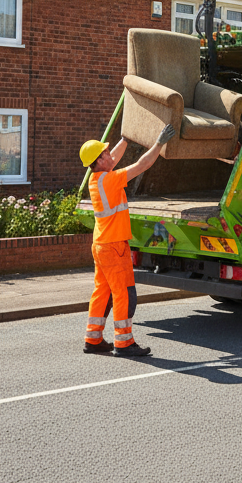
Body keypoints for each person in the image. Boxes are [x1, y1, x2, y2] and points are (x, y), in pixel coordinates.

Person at [78, 122, 176, 357]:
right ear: (100, 161)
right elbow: (142, 165)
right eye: (105, 153)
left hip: (101, 244)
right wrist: (159, 143)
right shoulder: (110, 180)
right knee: (122, 292)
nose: (110, 155)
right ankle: (124, 343)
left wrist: (126, 139)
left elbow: (114, 156)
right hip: (114, 247)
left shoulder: (97, 179)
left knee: (102, 291)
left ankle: (93, 339)